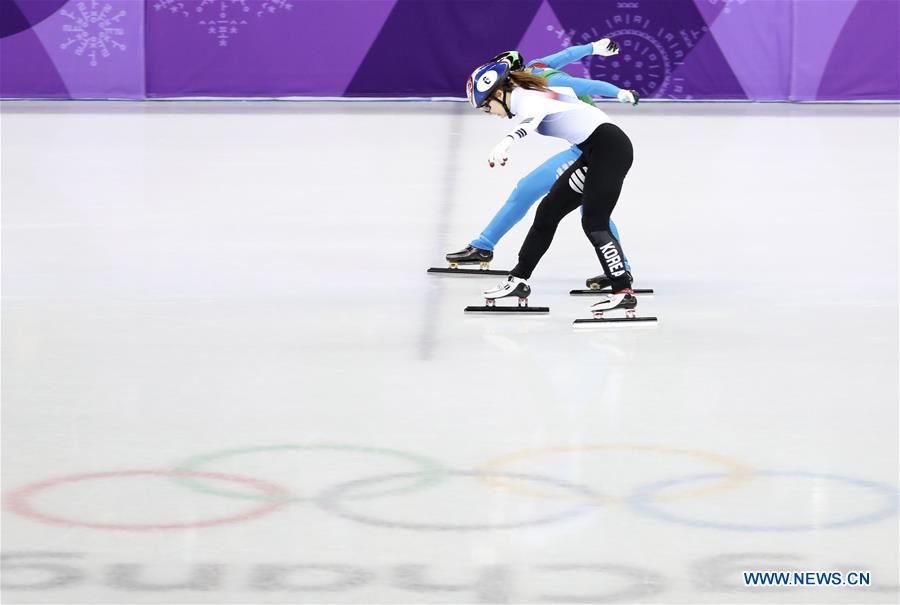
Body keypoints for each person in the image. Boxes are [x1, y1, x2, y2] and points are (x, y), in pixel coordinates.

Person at [448, 40, 640, 290]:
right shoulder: (535, 70)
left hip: (595, 146)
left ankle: (621, 271)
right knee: (532, 192)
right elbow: (567, 54)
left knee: (589, 212)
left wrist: (618, 93)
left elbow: (584, 85)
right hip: (586, 145)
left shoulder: (542, 83)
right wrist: (595, 46)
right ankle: (484, 246)